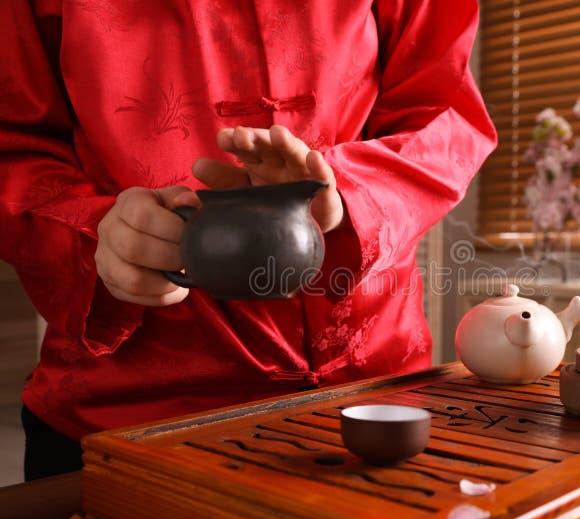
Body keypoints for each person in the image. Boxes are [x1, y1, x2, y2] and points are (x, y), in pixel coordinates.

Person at [0, 0, 496, 480]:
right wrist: (96, 236)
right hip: (125, 409)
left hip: (377, 393)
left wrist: (350, 196)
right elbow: (14, 143)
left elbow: (444, 112)